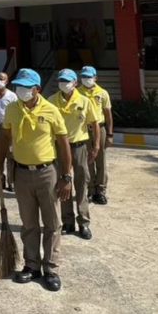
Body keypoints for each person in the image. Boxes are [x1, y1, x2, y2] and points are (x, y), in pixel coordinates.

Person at [4, 68, 72, 291]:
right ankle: (32, 265)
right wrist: (0, 166)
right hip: (22, 173)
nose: (20, 90)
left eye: (25, 87)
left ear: (37, 90)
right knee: (29, 223)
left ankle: (51, 268)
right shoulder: (12, 109)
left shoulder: (51, 110)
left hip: (47, 173)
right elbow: (6, 137)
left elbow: (63, 144)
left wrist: (66, 176)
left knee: (52, 223)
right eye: (18, 86)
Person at [50, 69, 100, 241]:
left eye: (67, 81)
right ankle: (67, 221)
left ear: (75, 83)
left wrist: (96, 146)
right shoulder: (52, 101)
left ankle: (84, 222)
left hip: (79, 146)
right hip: (59, 147)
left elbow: (94, 124)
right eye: (61, 81)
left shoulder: (84, 101)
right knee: (63, 183)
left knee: (81, 183)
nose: (64, 84)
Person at [77, 66, 114, 205]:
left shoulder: (102, 93)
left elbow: (108, 115)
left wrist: (110, 134)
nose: (86, 79)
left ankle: (101, 190)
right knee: (87, 160)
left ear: (95, 78)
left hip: (100, 128)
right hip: (84, 129)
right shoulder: (77, 92)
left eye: (89, 77)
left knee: (100, 159)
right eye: (83, 77)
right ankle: (90, 190)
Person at [0, 71, 18, 191]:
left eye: (1, 79)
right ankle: (0, 181)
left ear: (6, 81)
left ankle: (12, 183)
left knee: (11, 156)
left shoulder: (12, 96)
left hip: (9, 129)